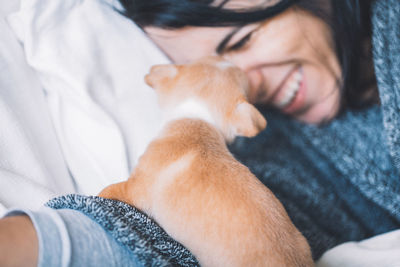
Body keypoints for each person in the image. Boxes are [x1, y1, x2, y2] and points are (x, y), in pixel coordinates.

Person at [1, 0, 399, 266]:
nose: (249, 85)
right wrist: (34, 242)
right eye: (217, 65)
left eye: (243, 39)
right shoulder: (278, 152)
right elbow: (173, 233)